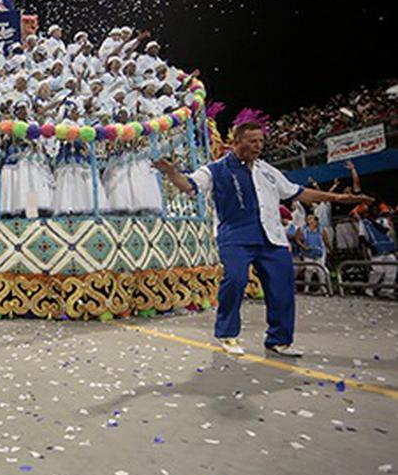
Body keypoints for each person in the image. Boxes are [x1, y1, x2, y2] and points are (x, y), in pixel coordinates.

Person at [154, 121, 372, 357]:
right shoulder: (215, 169)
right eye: (253, 141)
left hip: (272, 238)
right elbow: (189, 186)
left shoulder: (268, 171)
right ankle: (227, 334)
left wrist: (337, 198)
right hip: (235, 236)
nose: (259, 146)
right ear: (236, 142)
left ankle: (279, 340)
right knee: (235, 280)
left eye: (261, 141)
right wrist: (172, 173)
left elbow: (298, 192)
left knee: (282, 287)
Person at [357, 204, 397, 296]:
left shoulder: (383, 221)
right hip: (374, 248)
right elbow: (361, 237)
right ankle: (369, 289)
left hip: (386, 248)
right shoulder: (363, 222)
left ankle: (386, 291)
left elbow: (384, 230)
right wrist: (368, 247)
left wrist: (373, 222)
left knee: (392, 268)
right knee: (378, 270)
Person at [296, 214, 330, 293]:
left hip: (319, 252)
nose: (309, 221)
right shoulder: (303, 229)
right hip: (307, 252)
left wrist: (329, 249)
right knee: (309, 269)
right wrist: (303, 246)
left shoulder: (321, 229)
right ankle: (306, 288)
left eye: (311, 219)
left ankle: (323, 288)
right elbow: (297, 239)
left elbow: (326, 240)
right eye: (308, 219)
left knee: (320, 270)